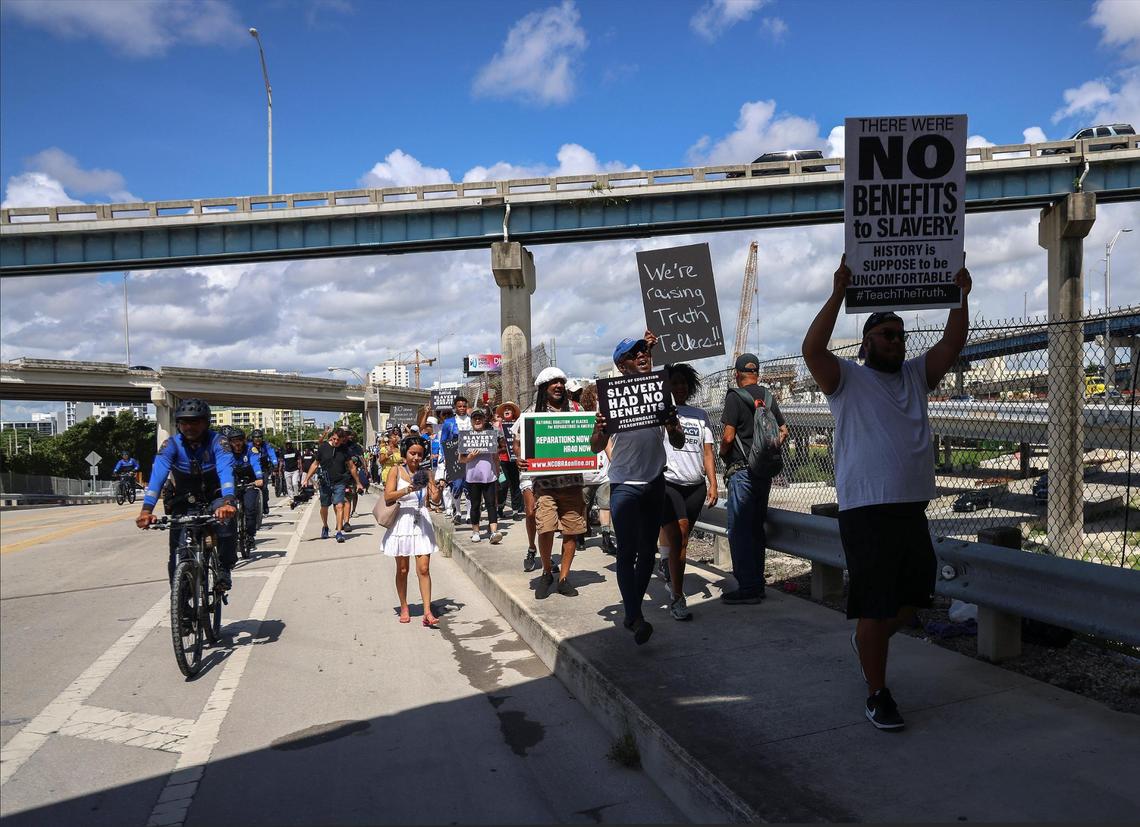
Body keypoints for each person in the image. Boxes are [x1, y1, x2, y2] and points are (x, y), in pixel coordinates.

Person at [802, 253, 972, 731]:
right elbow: (812, 349)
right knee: (877, 606)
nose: (897, 342)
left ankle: (867, 638)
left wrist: (960, 295)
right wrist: (838, 292)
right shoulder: (846, 380)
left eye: (900, 335)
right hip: (866, 509)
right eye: (887, 335)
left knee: (913, 599)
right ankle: (878, 692)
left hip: (911, 507)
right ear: (868, 341)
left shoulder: (917, 376)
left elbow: (953, 341)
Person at [590, 332, 685, 645]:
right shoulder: (610, 398)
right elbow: (595, 446)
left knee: (648, 551)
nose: (641, 356)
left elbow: (679, 441)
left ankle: (633, 612)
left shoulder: (660, 391)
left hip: (655, 480)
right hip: (625, 485)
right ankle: (635, 614)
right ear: (621, 365)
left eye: (644, 351)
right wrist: (600, 429)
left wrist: (672, 424)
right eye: (633, 354)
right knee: (627, 551)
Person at [135, 398, 238, 589]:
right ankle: (180, 595)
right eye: (184, 422)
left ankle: (224, 567)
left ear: (206, 422)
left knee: (227, 522)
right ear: (178, 424)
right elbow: (157, 476)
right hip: (184, 500)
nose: (189, 427)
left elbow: (226, 470)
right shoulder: (171, 445)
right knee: (177, 551)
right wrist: (146, 510)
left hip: (215, 497)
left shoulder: (219, 442)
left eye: (195, 421)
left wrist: (228, 501)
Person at [718, 352, 789, 606]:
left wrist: (722, 453)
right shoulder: (768, 397)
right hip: (763, 472)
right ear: (757, 373)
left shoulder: (734, 397)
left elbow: (728, 437)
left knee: (739, 530)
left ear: (737, 374)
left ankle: (747, 587)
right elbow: (784, 430)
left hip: (742, 472)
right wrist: (767, 449)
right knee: (757, 528)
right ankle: (757, 584)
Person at [517, 367, 587, 596]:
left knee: (571, 530)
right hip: (545, 486)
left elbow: (589, 438)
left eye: (561, 382)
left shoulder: (577, 409)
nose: (558, 386)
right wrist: (520, 459)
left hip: (573, 485)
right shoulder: (532, 412)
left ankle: (564, 577)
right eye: (553, 382)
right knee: (545, 528)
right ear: (544, 387)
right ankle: (547, 571)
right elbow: (518, 440)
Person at [657, 363, 718, 621]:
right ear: (667, 386)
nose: (680, 387)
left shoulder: (699, 414)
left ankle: (668, 564)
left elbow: (707, 452)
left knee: (681, 540)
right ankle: (677, 599)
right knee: (680, 536)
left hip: (696, 486)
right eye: (675, 382)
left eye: (684, 383)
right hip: (669, 483)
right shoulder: (661, 413)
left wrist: (713, 483)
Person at [382, 438, 443, 627]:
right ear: (405, 453)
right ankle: (404, 606)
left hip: (421, 520)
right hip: (401, 521)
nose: (416, 457)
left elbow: (435, 501)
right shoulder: (396, 471)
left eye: (419, 454)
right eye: (412, 453)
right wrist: (408, 488)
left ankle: (427, 612)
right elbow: (387, 497)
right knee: (402, 569)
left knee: (424, 569)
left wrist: (438, 488)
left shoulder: (426, 473)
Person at [300, 428, 364, 543]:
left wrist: (358, 482)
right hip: (325, 482)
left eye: (338, 440)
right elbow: (315, 464)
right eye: (334, 439)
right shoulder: (323, 447)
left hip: (339, 482)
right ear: (331, 437)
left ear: (343, 440)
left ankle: (339, 532)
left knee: (340, 506)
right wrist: (306, 479)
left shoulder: (345, 449)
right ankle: (325, 526)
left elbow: (352, 467)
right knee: (324, 507)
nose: (335, 442)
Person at [459, 408, 503, 544]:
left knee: (491, 504)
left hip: (489, 477)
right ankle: (476, 532)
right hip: (472, 477)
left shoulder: (490, 436)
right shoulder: (465, 437)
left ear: (484, 420)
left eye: (480, 418)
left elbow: (495, 457)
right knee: (475, 505)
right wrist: (470, 457)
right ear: (471, 421)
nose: (477, 420)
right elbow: (461, 459)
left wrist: (498, 472)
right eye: (475, 418)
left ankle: (494, 531)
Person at [226, 427, 266, 542]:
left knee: (250, 508)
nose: (236, 443)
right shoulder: (227, 451)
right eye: (233, 441)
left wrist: (259, 477)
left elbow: (255, 463)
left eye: (239, 440)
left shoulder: (250, 449)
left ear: (244, 440)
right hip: (234, 481)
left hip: (250, 481)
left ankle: (250, 534)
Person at [438, 396, 473, 524]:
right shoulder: (449, 423)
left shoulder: (472, 421)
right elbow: (443, 442)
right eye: (459, 406)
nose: (462, 408)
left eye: (464, 406)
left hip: (470, 458)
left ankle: (469, 515)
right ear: (455, 407)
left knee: (469, 486)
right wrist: (445, 457)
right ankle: (458, 512)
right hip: (454, 459)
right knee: (457, 485)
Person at [249, 429, 278, 516]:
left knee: (264, 487)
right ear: (252, 438)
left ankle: (264, 503)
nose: (257, 440)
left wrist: (275, 463)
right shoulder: (249, 446)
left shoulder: (266, 445)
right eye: (255, 438)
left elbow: (271, 454)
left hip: (264, 468)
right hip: (252, 469)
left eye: (259, 438)